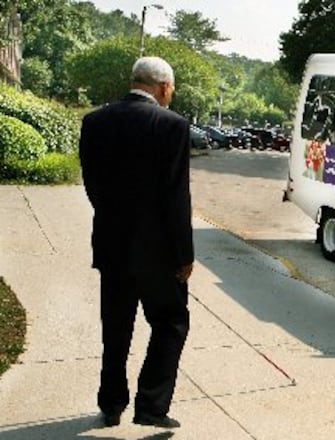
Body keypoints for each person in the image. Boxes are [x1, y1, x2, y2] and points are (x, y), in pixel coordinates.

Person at [79, 56, 194, 428]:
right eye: (171, 89)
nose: (171, 95)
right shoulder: (172, 125)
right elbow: (176, 197)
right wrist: (184, 255)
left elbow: (92, 184)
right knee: (171, 321)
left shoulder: (94, 122)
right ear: (162, 86)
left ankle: (111, 404)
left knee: (115, 328)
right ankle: (151, 406)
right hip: (158, 252)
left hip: (111, 244)